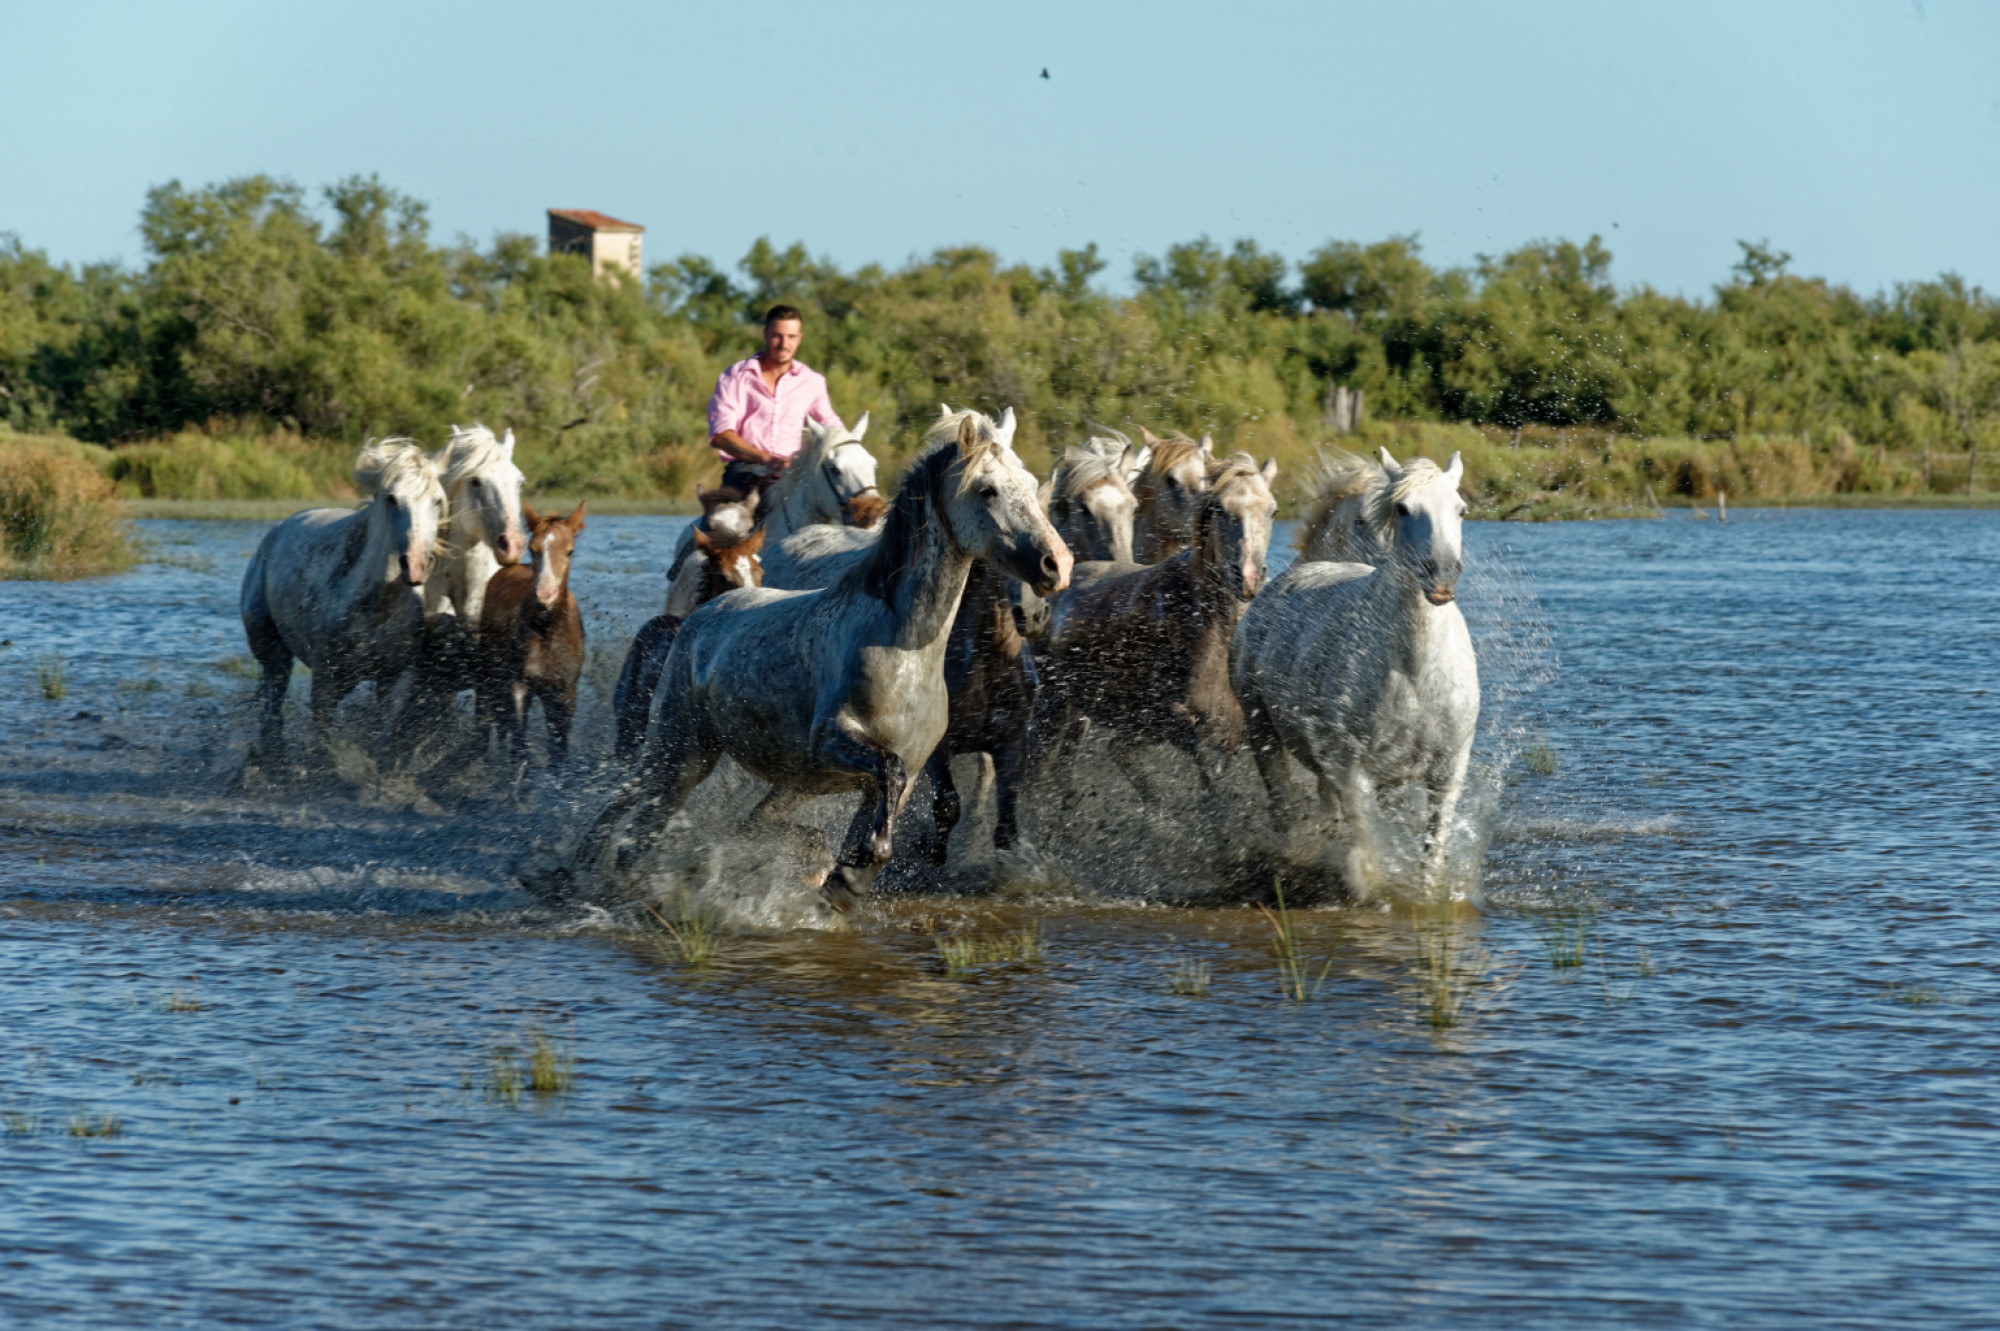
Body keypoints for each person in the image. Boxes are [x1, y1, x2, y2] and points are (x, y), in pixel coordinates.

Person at [706, 304, 844, 500]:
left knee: (837, 509)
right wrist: (767, 459)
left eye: (791, 337)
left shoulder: (812, 381)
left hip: (794, 474)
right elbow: (721, 436)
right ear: (765, 334)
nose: (783, 344)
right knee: (727, 522)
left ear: (799, 339)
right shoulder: (735, 376)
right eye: (777, 336)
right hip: (745, 471)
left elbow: (833, 430)